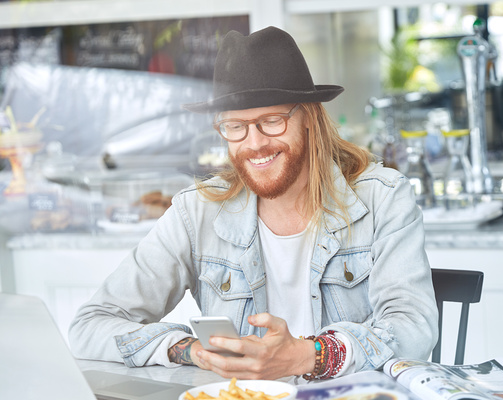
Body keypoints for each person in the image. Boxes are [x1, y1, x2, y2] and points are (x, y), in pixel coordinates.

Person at [69, 26, 438, 381]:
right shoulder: (196, 212)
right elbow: (90, 326)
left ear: (309, 117)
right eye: (235, 126)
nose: (255, 143)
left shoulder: (383, 197)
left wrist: (308, 356)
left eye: (272, 121)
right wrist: (191, 350)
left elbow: (413, 328)